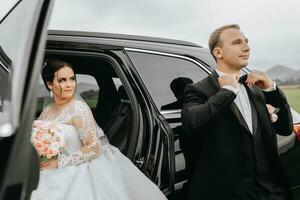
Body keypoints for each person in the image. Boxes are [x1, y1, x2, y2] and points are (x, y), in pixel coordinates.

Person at [181, 24, 293, 200]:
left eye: (247, 42)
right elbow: (191, 124)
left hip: (270, 192)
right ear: (218, 52)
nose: (246, 47)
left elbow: (285, 128)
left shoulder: (256, 88)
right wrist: (227, 91)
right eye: (237, 42)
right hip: (226, 193)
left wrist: (271, 88)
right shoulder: (198, 89)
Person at [30, 60, 167, 200]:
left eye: (72, 79)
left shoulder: (78, 108)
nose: (69, 84)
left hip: (74, 171)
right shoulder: (47, 110)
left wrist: (59, 162)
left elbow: (94, 147)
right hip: (47, 168)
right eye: (62, 80)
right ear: (49, 84)